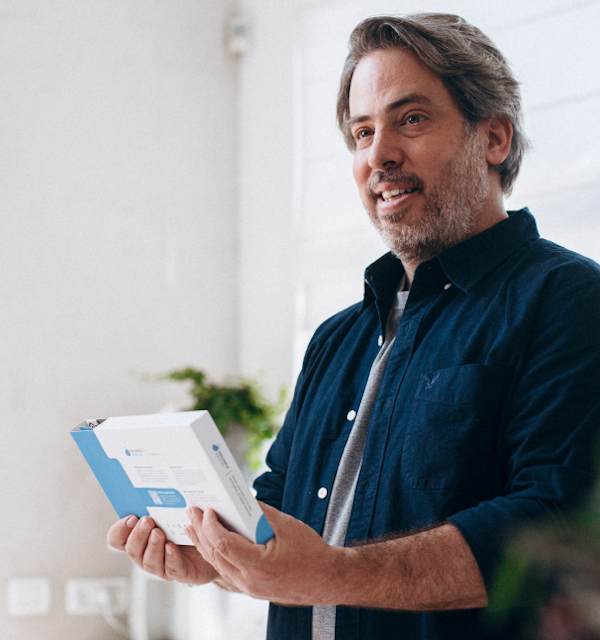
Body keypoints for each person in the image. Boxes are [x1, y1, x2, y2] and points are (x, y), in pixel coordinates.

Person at [108, 13, 600, 640]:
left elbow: (550, 533)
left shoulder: (570, 300)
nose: (379, 155)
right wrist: (215, 558)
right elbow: (280, 513)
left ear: (495, 139)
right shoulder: (336, 339)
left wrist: (331, 573)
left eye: (411, 120)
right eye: (362, 132)